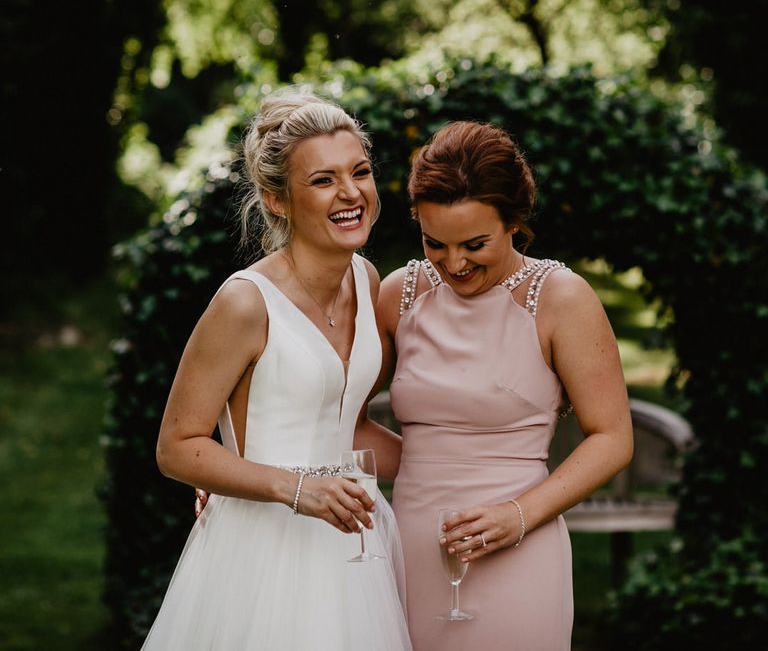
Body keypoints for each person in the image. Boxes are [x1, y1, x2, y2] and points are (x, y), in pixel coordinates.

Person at [142, 90, 412, 650]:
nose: (350, 193)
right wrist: (297, 489)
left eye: (359, 172)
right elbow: (176, 446)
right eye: (322, 180)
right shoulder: (245, 303)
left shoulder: (366, 278)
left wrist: (455, 464)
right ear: (276, 199)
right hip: (262, 554)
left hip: (354, 546)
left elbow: (348, 426)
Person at [373, 121, 634, 650]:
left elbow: (612, 438)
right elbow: (333, 411)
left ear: (514, 221)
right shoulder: (398, 294)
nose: (453, 264)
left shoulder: (561, 298)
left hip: (519, 545)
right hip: (410, 544)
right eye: (434, 243)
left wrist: (518, 516)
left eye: (474, 244)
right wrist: (251, 458)